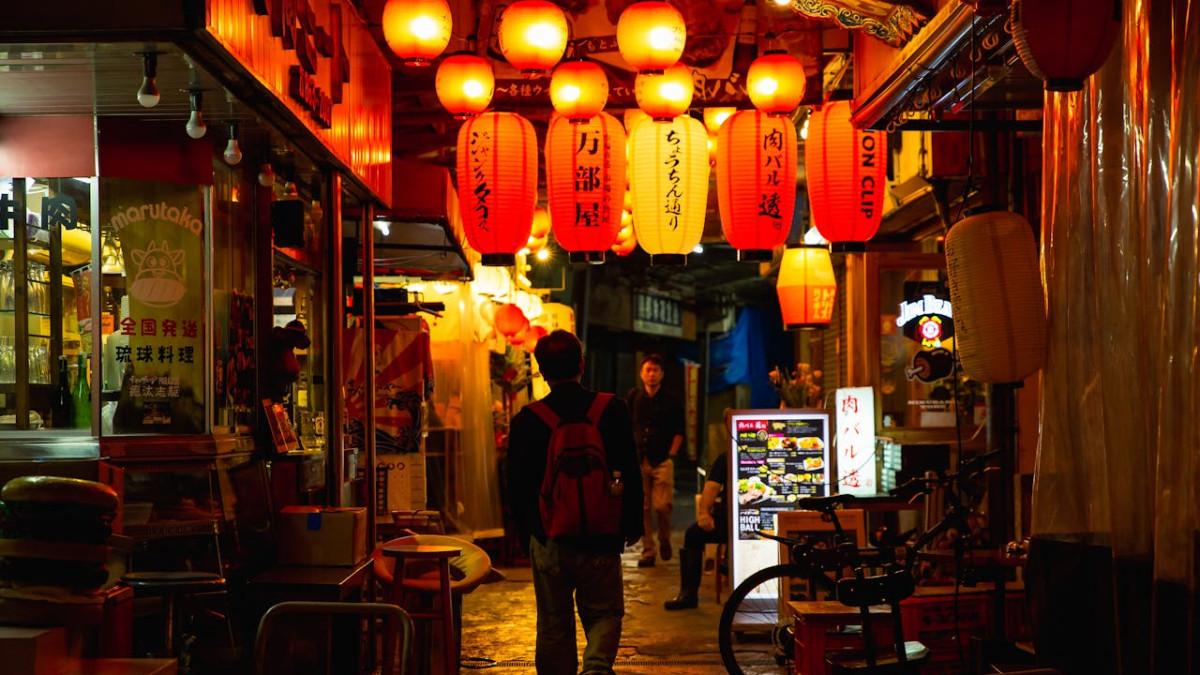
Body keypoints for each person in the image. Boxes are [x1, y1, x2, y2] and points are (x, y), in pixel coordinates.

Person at [508, 330, 643, 675]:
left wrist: (529, 536)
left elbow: (517, 486)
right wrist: (631, 524)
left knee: (554, 621)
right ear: (582, 364)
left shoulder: (528, 419)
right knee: (604, 612)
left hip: (550, 536)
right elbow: (629, 467)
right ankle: (596, 668)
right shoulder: (611, 409)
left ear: (540, 371)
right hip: (602, 532)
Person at [664, 409, 733, 610]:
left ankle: (690, 594)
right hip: (730, 519)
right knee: (693, 534)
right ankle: (688, 594)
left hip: (753, 522)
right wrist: (703, 514)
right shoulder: (725, 457)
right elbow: (711, 488)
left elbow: (711, 488)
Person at [626, 354, 684, 567]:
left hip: (662, 460)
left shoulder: (672, 399)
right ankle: (647, 550)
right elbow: (628, 426)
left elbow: (680, 430)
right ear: (641, 374)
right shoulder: (633, 397)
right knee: (643, 507)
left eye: (655, 370)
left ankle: (664, 539)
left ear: (662, 374)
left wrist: (671, 455)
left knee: (662, 506)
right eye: (648, 370)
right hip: (640, 459)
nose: (651, 374)